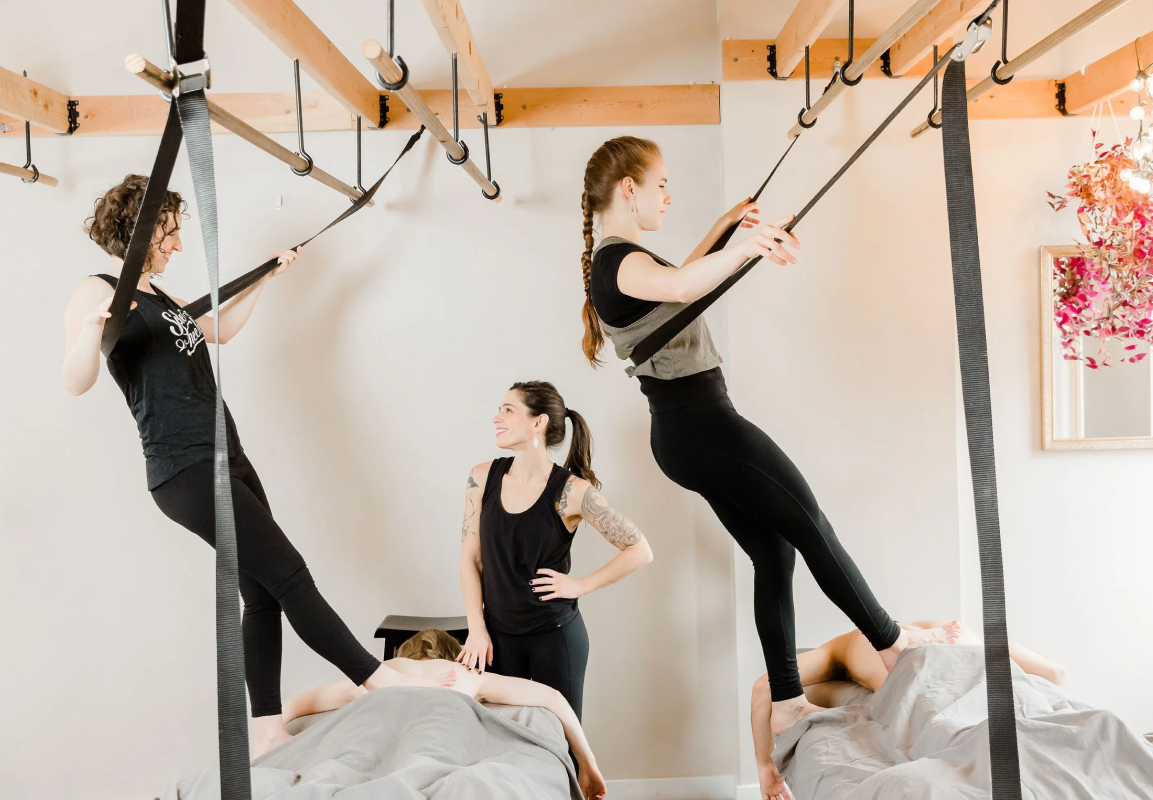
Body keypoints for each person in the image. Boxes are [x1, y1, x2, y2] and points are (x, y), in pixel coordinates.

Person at [577, 136, 957, 736]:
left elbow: (679, 283)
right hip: (701, 426)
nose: (668, 195)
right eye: (661, 184)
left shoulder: (623, 263)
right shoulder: (617, 262)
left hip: (687, 432)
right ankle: (892, 642)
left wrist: (725, 229)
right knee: (811, 524)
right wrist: (749, 245)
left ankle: (786, 701)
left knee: (774, 551)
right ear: (630, 188)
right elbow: (682, 287)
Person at [62, 174, 450, 758]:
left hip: (228, 457)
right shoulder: (99, 290)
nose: (178, 244)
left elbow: (218, 330)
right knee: (290, 574)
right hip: (185, 469)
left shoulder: (161, 298)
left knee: (264, 593)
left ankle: (266, 729)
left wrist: (265, 278)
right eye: (170, 232)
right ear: (139, 229)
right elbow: (75, 381)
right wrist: (92, 331)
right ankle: (379, 679)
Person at [456, 381, 653, 720]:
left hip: (555, 638)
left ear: (539, 422)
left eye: (508, 410)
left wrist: (580, 585)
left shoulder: (572, 492)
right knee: (502, 737)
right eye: (499, 410)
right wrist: (476, 628)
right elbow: (470, 559)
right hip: (496, 639)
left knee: (562, 741)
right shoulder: (482, 477)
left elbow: (640, 550)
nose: (497, 418)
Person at [750, 621, 1067, 800]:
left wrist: (766, 767)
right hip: (1000, 686)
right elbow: (1056, 673)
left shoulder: (849, 642)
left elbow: (765, 687)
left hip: (932, 690)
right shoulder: (956, 627)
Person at [284, 628, 607, 800]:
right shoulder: (466, 674)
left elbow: (298, 704)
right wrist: (588, 765)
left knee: (354, 763)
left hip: (375, 723)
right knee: (430, 762)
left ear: (406, 653)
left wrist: (276, 735)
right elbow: (551, 697)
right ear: (454, 655)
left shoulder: (383, 673)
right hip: (440, 725)